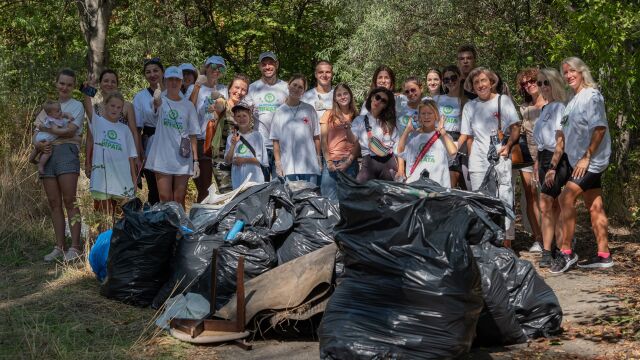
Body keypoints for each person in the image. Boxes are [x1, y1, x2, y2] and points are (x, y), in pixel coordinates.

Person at [550, 57, 613, 273]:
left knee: (565, 198)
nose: (568, 76)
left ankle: (567, 253)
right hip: (579, 162)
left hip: (592, 160)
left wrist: (587, 156)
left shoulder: (591, 96)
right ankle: (604, 255)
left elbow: (599, 128)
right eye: (565, 73)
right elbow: (565, 135)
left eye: (572, 71)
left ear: (582, 71)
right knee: (594, 205)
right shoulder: (572, 101)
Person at [459, 67, 521, 248]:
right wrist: (471, 160)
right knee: (480, 200)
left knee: (505, 198)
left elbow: (515, 126)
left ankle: (507, 243)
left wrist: (508, 146)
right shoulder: (470, 106)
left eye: (483, 81)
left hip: (501, 157)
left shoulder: (503, 101)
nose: (480, 85)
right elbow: (468, 137)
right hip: (478, 160)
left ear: (492, 82)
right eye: (476, 82)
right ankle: (485, 243)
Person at [35, 68, 85, 262]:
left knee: (70, 200)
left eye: (69, 84)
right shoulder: (47, 107)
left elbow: (71, 132)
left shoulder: (76, 106)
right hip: (47, 153)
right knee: (54, 202)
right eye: (62, 83)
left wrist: (48, 129)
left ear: (73, 87)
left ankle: (75, 247)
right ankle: (59, 246)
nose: (65, 87)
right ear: (56, 83)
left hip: (67, 152)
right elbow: (36, 136)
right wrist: (38, 143)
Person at [145, 66, 200, 207]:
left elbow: (193, 134)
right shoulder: (160, 100)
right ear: (165, 81)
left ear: (181, 82)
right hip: (162, 156)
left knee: (179, 198)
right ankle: (166, 228)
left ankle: (179, 228)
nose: (174, 83)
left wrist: (195, 161)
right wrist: (156, 101)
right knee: (165, 197)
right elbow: (155, 110)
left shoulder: (188, 106)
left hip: (183, 156)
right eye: (170, 79)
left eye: (177, 79)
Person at [532, 68, 570, 268]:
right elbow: (541, 142)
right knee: (552, 205)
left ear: (555, 83)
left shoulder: (561, 108)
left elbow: (560, 142)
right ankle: (554, 249)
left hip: (557, 159)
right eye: (539, 83)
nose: (543, 87)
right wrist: (539, 163)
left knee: (546, 202)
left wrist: (552, 167)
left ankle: (548, 251)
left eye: (546, 82)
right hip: (543, 159)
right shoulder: (545, 109)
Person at [82, 90, 137, 215]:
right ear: (105, 106)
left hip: (123, 180)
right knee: (103, 218)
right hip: (101, 180)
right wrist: (86, 90)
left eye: (119, 107)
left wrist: (134, 181)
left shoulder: (125, 130)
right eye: (112, 105)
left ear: (122, 110)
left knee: (122, 219)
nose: (115, 109)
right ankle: (103, 235)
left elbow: (131, 158)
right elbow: (89, 108)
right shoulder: (97, 122)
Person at [85, 69, 141, 181]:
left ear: (117, 84)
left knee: (122, 192)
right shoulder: (95, 108)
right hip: (101, 156)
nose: (109, 84)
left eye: (113, 81)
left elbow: (134, 133)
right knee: (102, 192)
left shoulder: (126, 106)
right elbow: (90, 137)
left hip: (122, 156)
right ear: (100, 83)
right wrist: (87, 161)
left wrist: (136, 158)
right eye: (106, 81)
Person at [189, 55, 228, 202]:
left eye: (220, 68)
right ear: (206, 68)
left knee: (224, 187)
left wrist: (221, 101)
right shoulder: (196, 87)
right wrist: (197, 86)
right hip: (201, 141)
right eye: (212, 66)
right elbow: (188, 108)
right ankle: (200, 220)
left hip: (220, 142)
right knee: (204, 188)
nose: (216, 70)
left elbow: (229, 113)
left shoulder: (224, 88)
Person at [270, 74, 321, 183]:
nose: (296, 89)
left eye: (300, 87)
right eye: (294, 85)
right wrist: (278, 163)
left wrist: (318, 158)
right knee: (291, 199)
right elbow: (275, 141)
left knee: (311, 198)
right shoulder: (279, 112)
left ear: (303, 91)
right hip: (288, 167)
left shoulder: (309, 110)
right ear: (288, 86)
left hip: (309, 166)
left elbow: (316, 136)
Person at [246, 51, 289, 180]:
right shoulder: (252, 88)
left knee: (281, 186)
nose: (267, 67)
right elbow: (244, 115)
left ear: (277, 65)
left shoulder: (286, 87)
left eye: (270, 63)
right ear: (260, 67)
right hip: (260, 145)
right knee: (261, 186)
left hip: (282, 146)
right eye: (264, 64)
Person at [516, 68, 545, 252]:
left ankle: (560, 237)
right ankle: (538, 238)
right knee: (531, 196)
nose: (529, 85)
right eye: (524, 84)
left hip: (548, 158)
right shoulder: (524, 108)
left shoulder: (552, 104)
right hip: (527, 158)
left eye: (532, 81)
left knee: (552, 198)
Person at [397, 100, 458, 186]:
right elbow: (400, 151)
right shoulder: (414, 136)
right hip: (415, 184)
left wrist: (443, 132)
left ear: (436, 115)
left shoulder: (443, 136)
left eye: (430, 113)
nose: (426, 117)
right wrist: (407, 130)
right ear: (419, 116)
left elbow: (453, 152)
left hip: (438, 185)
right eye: (423, 113)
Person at [319, 83, 360, 199]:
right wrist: (329, 162)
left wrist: (349, 161)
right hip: (331, 163)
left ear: (350, 95)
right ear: (335, 98)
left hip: (350, 163)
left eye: (345, 93)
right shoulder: (328, 114)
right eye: (339, 95)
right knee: (328, 200)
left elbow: (358, 143)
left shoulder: (357, 116)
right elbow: (323, 141)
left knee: (349, 200)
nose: (343, 97)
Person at [133, 57, 164, 204]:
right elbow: (137, 128)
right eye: (148, 72)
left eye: (155, 70)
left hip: (171, 143)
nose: (152, 74)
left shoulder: (173, 92)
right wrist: (140, 153)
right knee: (154, 187)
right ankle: (153, 220)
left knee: (171, 186)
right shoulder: (140, 97)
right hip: (150, 142)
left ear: (162, 72)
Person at [351, 87, 399, 182]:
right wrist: (346, 129)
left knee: (388, 196)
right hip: (368, 162)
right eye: (377, 97)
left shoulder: (390, 122)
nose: (379, 101)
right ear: (372, 97)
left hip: (389, 164)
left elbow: (397, 146)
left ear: (385, 106)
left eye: (383, 101)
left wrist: (400, 169)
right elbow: (352, 140)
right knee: (360, 192)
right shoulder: (359, 120)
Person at [436, 65, 468, 188]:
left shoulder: (466, 101)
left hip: (458, 143)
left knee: (453, 184)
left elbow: (467, 130)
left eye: (453, 78)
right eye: (446, 80)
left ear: (459, 78)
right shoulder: (437, 99)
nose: (450, 82)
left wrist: (457, 146)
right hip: (439, 141)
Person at [224, 101, 267, 188]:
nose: (241, 119)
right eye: (238, 116)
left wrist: (244, 160)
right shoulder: (231, 137)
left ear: (250, 117)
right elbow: (227, 161)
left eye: (244, 116)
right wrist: (233, 145)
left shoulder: (257, 136)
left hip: (255, 180)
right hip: (238, 180)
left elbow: (262, 160)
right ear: (235, 119)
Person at [30, 100, 73, 174]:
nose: (60, 112)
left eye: (60, 109)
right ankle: (41, 165)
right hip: (46, 138)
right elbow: (56, 131)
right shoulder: (52, 121)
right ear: (50, 113)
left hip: (40, 136)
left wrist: (69, 116)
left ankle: (31, 159)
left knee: (37, 149)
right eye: (58, 111)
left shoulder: (56, 116)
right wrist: (66, 129)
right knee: (48, 152)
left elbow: (65, 114)